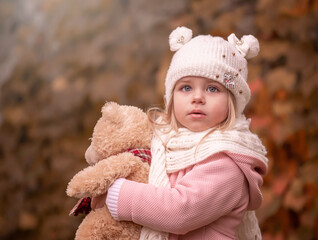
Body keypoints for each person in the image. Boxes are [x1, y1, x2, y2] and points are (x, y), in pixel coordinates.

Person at [92, 26, 268, 240]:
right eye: (186, 88)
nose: (197, 97)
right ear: (171, 97)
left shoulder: (228, 164)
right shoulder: (165, 142)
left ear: (232, 102)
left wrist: (116, 192)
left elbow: (180, 212)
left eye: (213, 89)